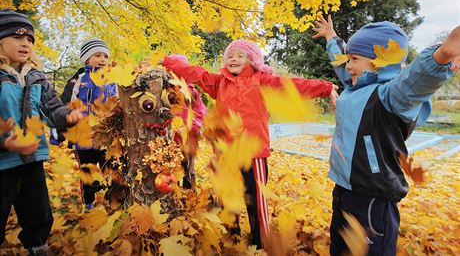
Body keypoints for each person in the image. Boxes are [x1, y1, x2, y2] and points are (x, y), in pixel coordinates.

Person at [161, 39, 338, 248]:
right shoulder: (219, 82)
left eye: (239, 55)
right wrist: (164, 61)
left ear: (252, 60)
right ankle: (231, 238)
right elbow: (194, 73)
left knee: (256, 200)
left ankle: (261, 242)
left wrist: (325, 88)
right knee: (228, 197)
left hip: (254, 152)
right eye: (229, 56)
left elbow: (292, 86)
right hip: (226, 152)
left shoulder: (262, 80)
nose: (233, 59)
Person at [312, 15, 459, 255]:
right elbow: (340, 62)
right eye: (349, 58)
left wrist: (441, 56)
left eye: (355, 59)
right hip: (344, 189)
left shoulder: (390, 97)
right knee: (341, 249)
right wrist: (331, 37)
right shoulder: (355, 85)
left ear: (379, 63)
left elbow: (416, 81)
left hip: (372, 198)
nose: (348, 65)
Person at [0, 9, 84, 255]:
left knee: (38, 213)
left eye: (29, 39)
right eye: (17, 37)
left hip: (32, 159)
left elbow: (53, 109)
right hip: (2, 164)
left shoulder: (37, 77)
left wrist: (67, 117)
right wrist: (7, 142)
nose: (25, 43)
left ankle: (38, 248)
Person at [60, 37, 117, 211]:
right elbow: (66, 104)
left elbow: (117, 101)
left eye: (105, 56)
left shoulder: (110, 79)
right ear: (86, 58)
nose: (102, 59)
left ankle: (114, 198)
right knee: (87, 171)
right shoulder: (79, 79)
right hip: (83, 135)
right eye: (97, 55)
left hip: (105, 132)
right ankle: (89, 203)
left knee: (112, 167)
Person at [166, 54, 207, 190]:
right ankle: (174, 197)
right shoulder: (165, 92)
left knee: (188, 169)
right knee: (172, 170)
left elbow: (200, 112)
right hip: (171, 139)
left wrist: (191, 127)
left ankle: (190, 198)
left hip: (188, 138)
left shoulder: (192, 92)